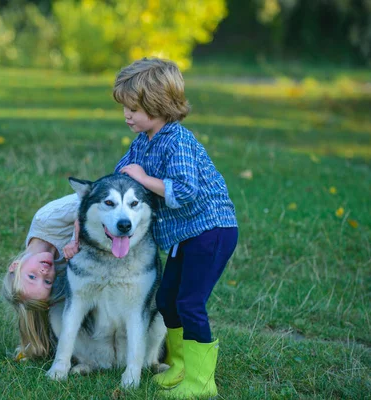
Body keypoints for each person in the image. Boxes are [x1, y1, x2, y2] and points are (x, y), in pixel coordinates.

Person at [113, 57, 238, 399]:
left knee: (190, 302)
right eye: (124, 107)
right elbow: (119, 178)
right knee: (167, 299)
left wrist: (143, 178)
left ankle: (201, 384)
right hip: (185, 235)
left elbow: (185, 190)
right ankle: (181, 367)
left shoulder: (177, 139)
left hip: (211, 230)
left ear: (157, 106)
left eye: (133, 108)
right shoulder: (142, 141)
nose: (126, 115)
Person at [2, 193, 80, 361]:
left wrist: (76, 239)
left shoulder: (45, 219)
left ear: (15, 265)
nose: (43, 273)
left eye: (31, 276)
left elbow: (92, 198)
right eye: (47, 282)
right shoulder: (61, 269)